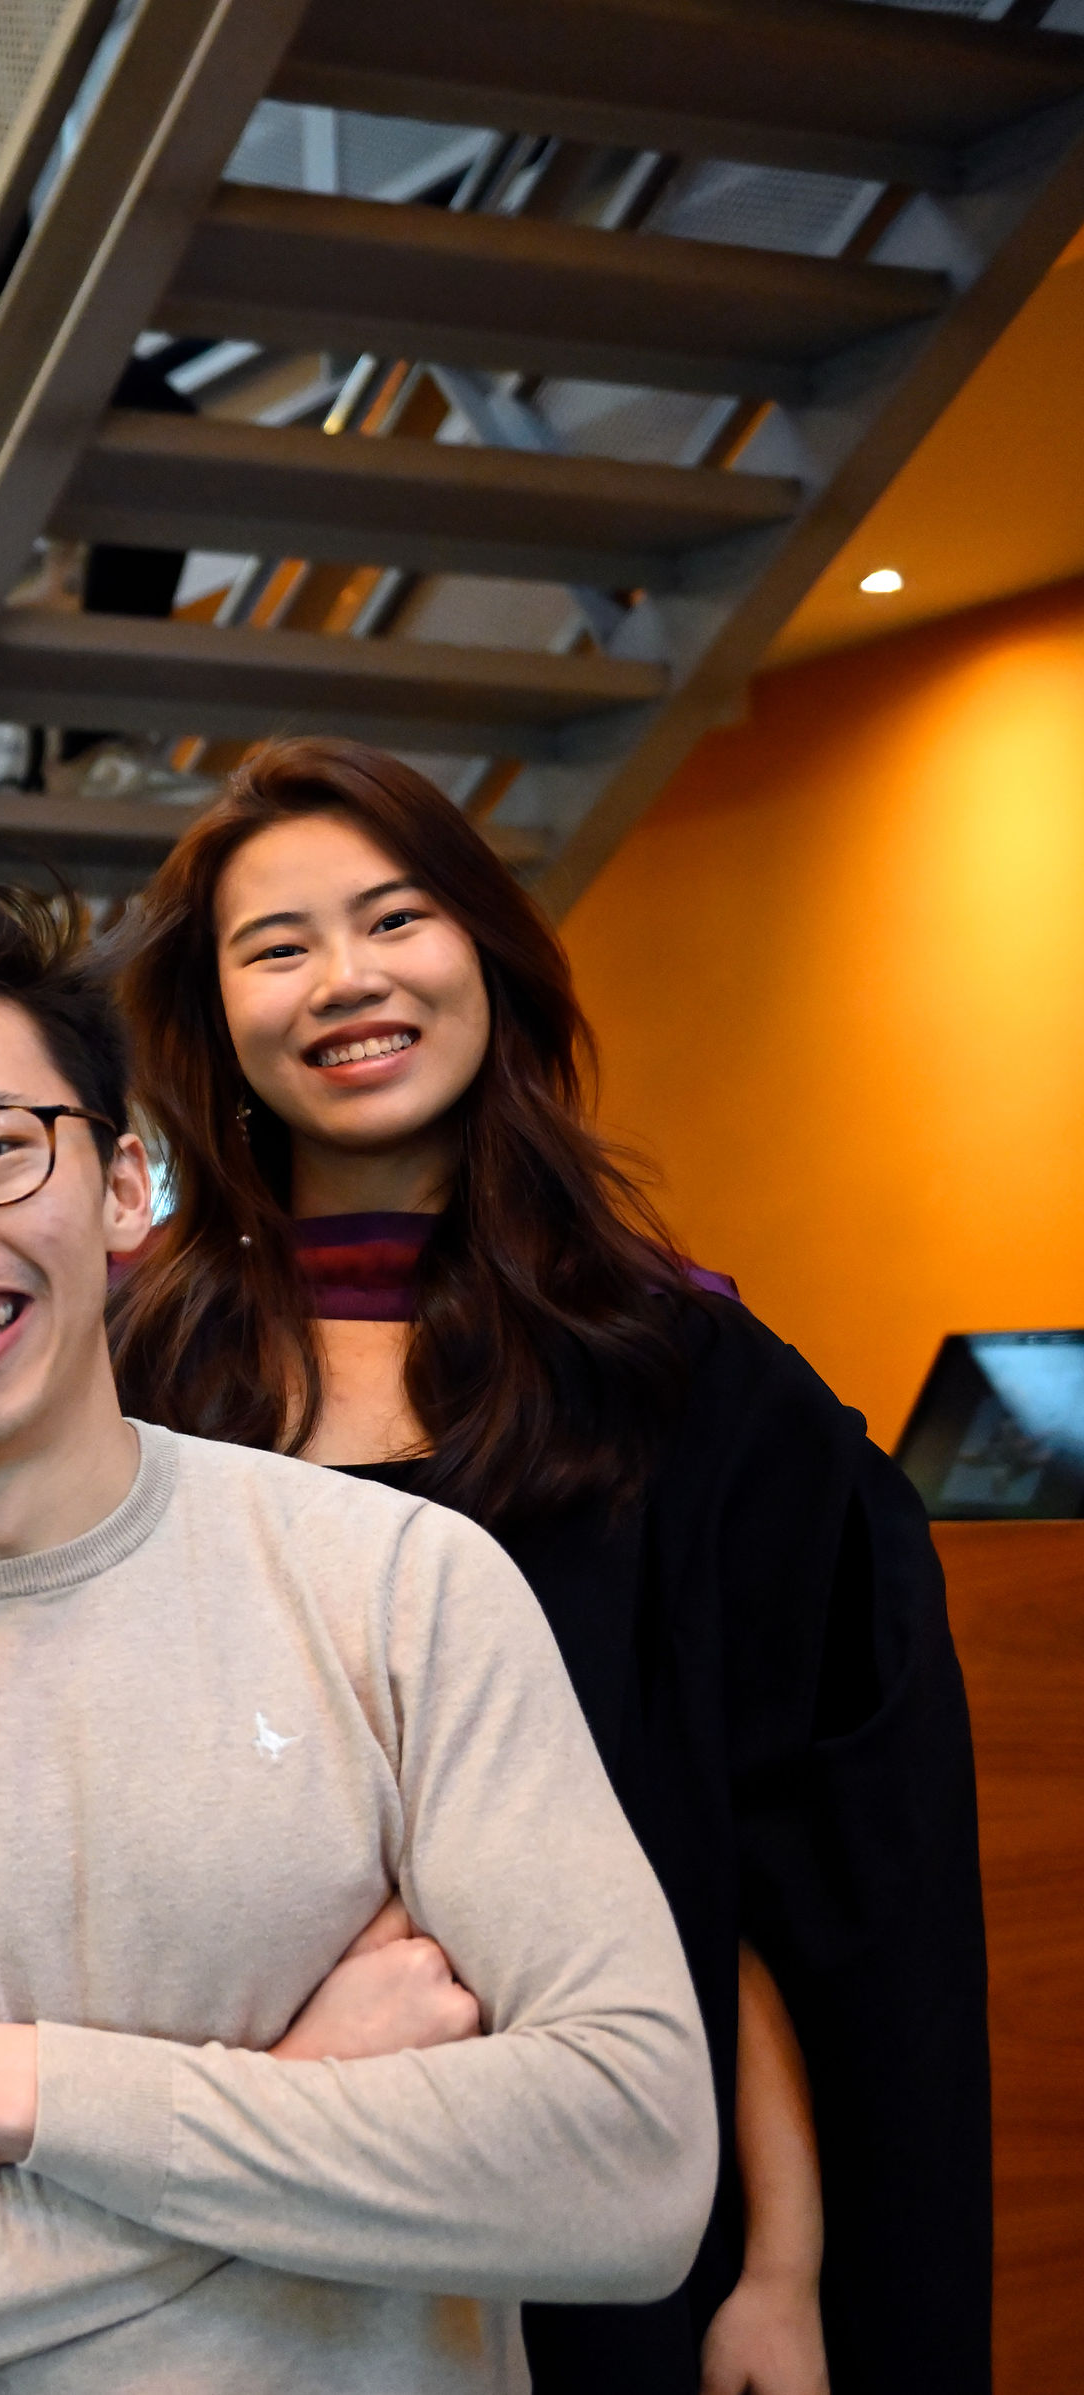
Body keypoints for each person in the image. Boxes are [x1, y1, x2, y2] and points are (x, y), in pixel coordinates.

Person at [0, 886, 717, 2393]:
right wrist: (303, 2092)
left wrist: (28, 2090)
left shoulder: (402, 1588)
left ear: (123, 1184)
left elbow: (629, 2167)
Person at [108, 736, 990, 2395]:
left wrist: (783, 2267)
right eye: (275, 946)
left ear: (491, 958)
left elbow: (776, 1884)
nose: (345, 980)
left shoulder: (684, 1378)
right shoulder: (139, 1385)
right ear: (211, 1019)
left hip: (617, 2221)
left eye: (395, 919)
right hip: (242, 2213)